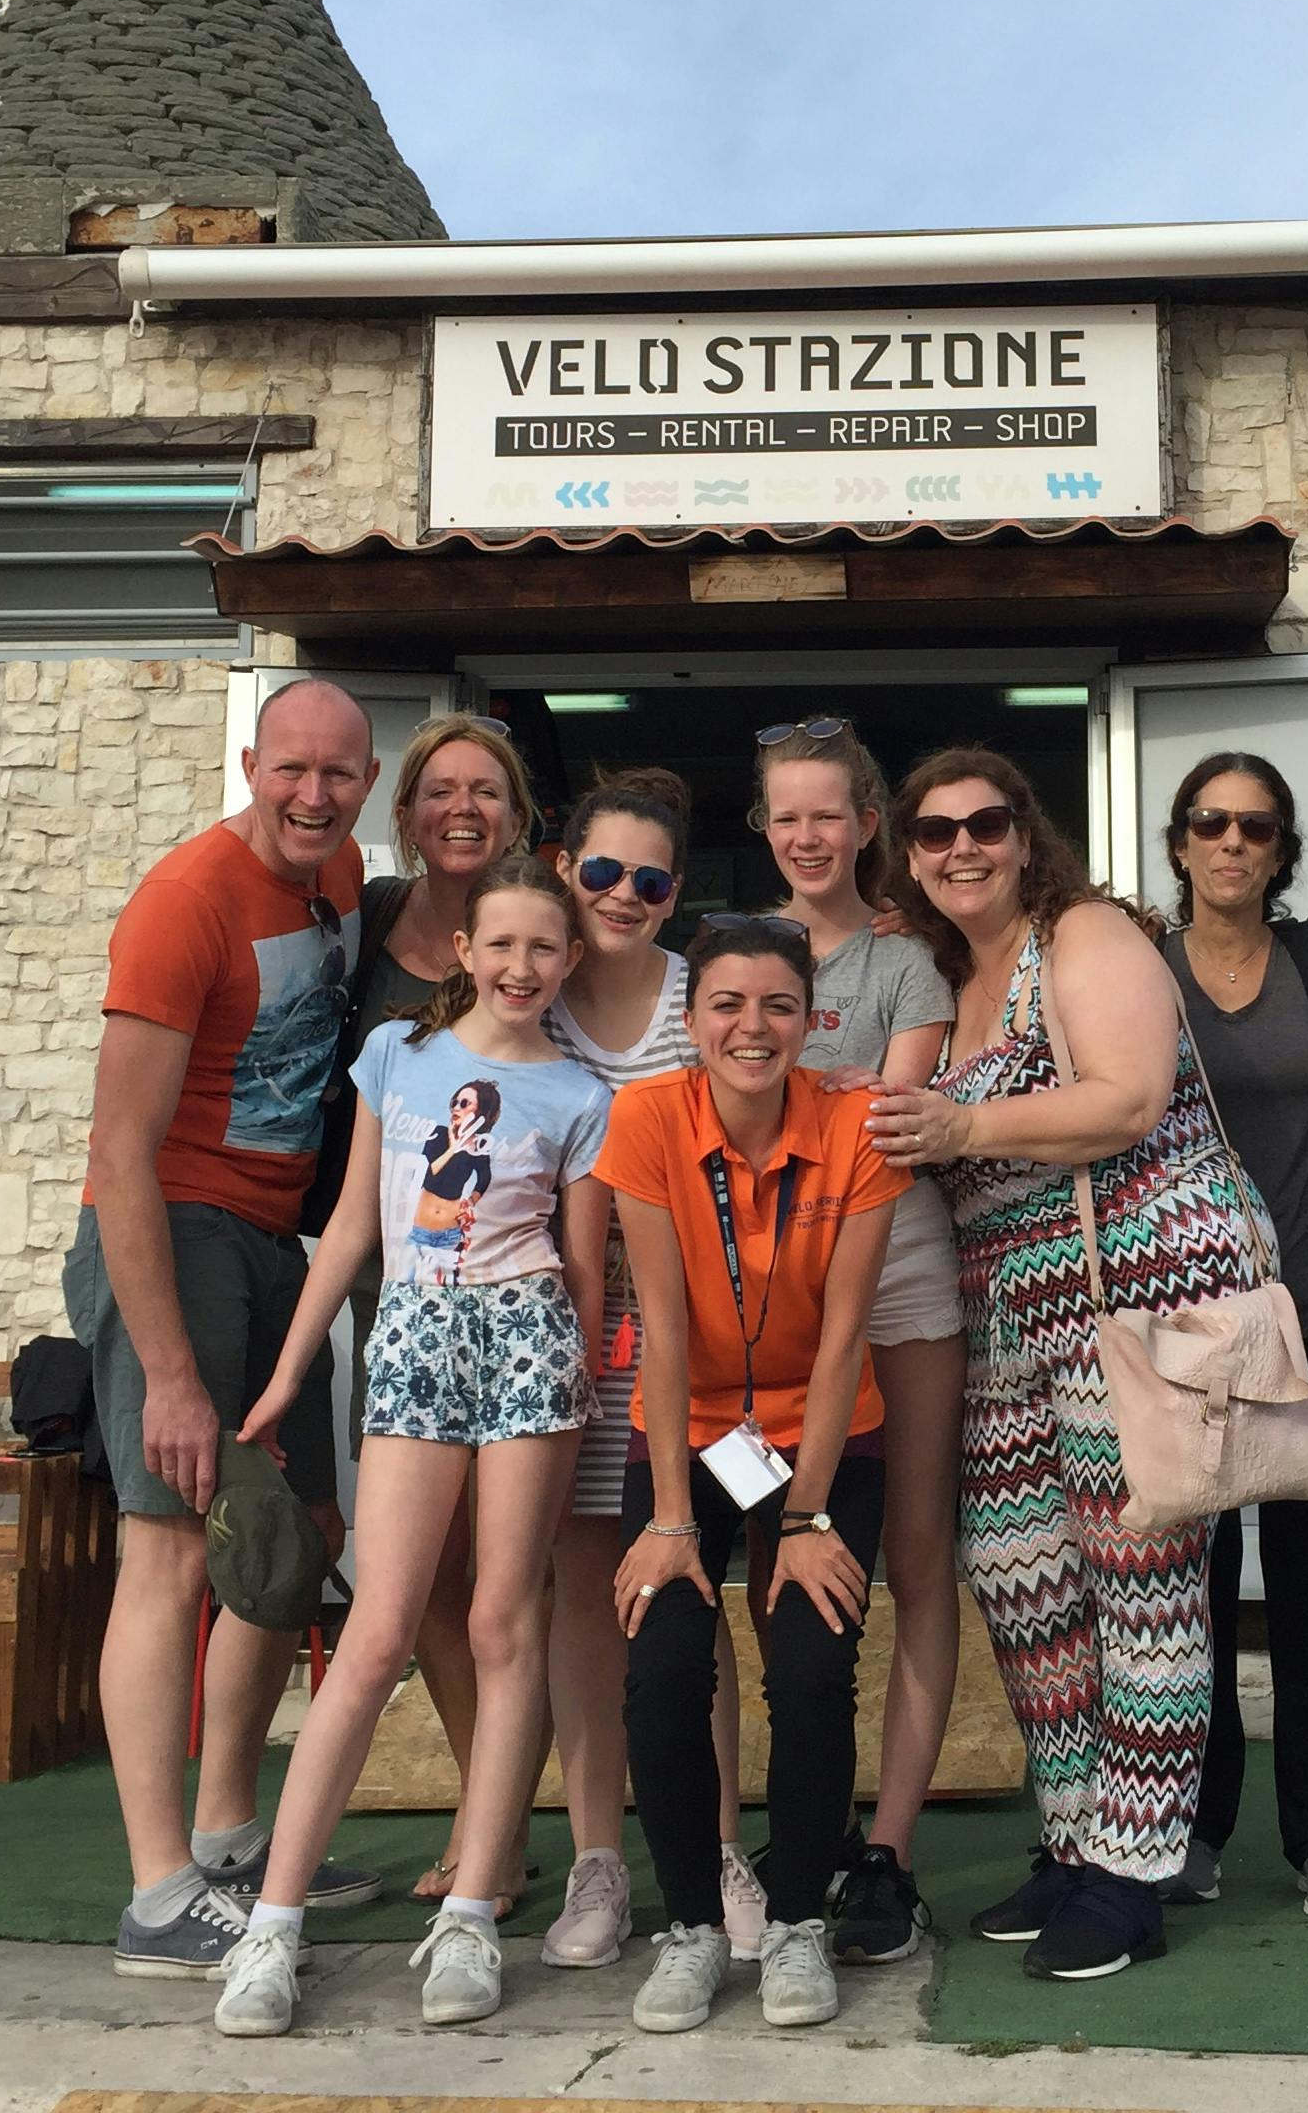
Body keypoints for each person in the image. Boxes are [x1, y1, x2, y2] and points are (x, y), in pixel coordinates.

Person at [867, 748, 1273, 1984]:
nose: (960, 849)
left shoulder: (1081, 934)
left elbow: (1131, 1095)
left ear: (1023, 830)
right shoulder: (950, 972)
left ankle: (1136, 1870)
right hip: (1010, 1311)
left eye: (984, 823)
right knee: (1022, 1579)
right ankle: (1074, 1838)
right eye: (933, 835)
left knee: (1140, 1579)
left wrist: (964, 1124)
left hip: (1135, 1291)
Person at [214, 855, 611, 2038]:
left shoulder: (585, 1095)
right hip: (417, 1337)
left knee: (502, 1619)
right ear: (462, 952)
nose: (523, 967)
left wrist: (578, 1385)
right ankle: (272, 1928)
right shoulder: (399, 1055)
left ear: (570, 961)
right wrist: (287, 1372)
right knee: (379, 1628)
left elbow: (581, 1268)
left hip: (530, 1342)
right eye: (503, 946)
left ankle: (475, 1912)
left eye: (547, 949)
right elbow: (350, 1225)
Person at [68, 676, 386, 1980]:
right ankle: (156, 1895)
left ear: (368, 781)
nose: (314, 796)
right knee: (171, 1550)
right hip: (173, 1236)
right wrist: (170, 1376)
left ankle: (228, 1837)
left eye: (340, 775)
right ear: (252, 763)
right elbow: (118, 1152)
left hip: (270, 1245)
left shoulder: (347, 877)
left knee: (293, 1536)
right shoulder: (184, 903)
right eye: (291, 770)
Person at [601, 914, 904, 2034]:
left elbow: (840, 1336)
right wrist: (672, 1520)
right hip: (687, 1437)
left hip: (822, 1439)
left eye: (778, 1005)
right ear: (693, 1021)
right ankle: (688, 1927)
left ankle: (793, 1928)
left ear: (810, 1020)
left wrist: (814, 1512)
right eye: (727, 1003)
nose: (752, 1026)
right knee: (664, 1666)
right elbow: (663, 1325)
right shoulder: (645, 1118)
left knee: (814, 1669)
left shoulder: (856, 1125)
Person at [308, 710, 540, 1911]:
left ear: (517, 814)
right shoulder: (363, 922)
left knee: (486, 1586)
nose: (462, 807)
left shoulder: (539, 932)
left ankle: (490, 1838)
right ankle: (484, 1820)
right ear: (404, 813)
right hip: (391, 1297)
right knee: (417, 1582)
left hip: (514, 1306)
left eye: (486, 791)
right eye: (440, 789)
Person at [1153, 751, 1308, 1922]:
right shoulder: (1138, 968)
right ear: (1180, 841)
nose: (1232, 842)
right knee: (1186, 1585)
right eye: (1210, 823)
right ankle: (1190, 1829)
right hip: (1183, 1321)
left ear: (1284, 850)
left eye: (1256, 826)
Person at [751, 714, 964, 1964]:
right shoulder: (719, 957)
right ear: (764, 828)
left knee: (915, 1557)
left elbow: (886, 1124)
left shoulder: (904, 963)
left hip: (894, 1280)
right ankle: (794, 1829)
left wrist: (787, 1102)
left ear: (868, 824)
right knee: (777, 1542)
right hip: (763, 1289)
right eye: (787, 815)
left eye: (829, 812)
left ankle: (884, 1849)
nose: (808, 835)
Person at [540, 769, 761, 1964]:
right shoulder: (533, 987)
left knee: (687, 1592)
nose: (623, 896)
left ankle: (717, 1848)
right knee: (585, 1596)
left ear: (677, 894)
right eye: (603, 871)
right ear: (565, 864)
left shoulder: (703, 1001)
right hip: (569, 1345)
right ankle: (594, 1866)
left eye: (652, 879)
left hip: (702, 1348)